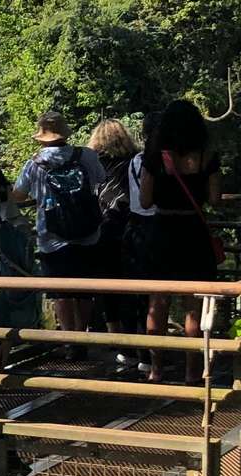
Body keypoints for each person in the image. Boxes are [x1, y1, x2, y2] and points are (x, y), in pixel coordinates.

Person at [138, 99, 224, 382]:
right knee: (193, 302)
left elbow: (145, 200)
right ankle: (192, 369)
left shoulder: (154, 156)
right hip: (193, 229)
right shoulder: (207, 156)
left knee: (157, 301)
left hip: (162, 229)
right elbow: (214, 199)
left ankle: (157, 368)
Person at [12, 110, 109, 345]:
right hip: (88, 232)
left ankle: (69, 340)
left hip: (51, 236)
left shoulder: (34, 164)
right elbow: (100, 180)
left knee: (60, 291)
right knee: (84, 288)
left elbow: (18, 196)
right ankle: (83, 333)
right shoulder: (86, 155)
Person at [87, 118, 144, 371]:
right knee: (133, 288)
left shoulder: (92, 164)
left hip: (101, 231)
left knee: (107, 287)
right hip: (131, 231)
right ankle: (138, 342)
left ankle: (116, 343)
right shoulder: (135, 161)